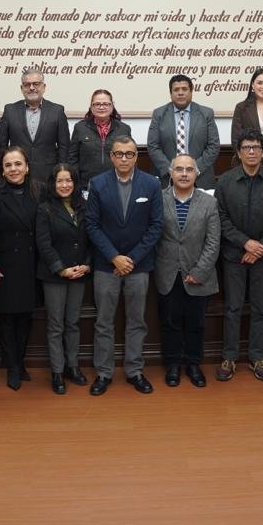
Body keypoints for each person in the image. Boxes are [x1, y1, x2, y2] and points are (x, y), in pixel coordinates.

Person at [85, 135, 164, 396]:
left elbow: (156, 226)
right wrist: (114, 257)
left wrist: (131, 259)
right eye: (119, 154)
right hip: (106, 265)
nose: (124, 159)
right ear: (111, 156)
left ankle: (135, 371)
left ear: (136, 156)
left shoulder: (151, 184)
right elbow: (92, 225)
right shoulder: (97, 183)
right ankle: (104, 373)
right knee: (103, 322)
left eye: (129, 154)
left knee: (137, 321)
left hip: (138, 266)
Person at [214, 128, 263, 382]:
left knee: (260, 307)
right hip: (234, 254)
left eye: (256, 147)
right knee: (232, 307)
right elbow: (221, 218)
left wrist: (260, 247)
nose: (252, 152)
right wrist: (246, 243)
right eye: (247, 148)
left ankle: (257, 357)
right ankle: (229, 357)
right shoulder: (225, 181)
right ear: (238, 152)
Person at [154, 154, 221, 388]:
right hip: (167, 272)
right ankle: (173, 364)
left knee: (196, 323)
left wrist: (199, 271)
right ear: (170, 173)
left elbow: (213, 242)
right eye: (179, 169)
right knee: (170, 322)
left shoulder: (209, 202)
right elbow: (152, 236)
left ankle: (193, 364)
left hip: (199, 274)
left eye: (189, 169)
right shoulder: (158, 199)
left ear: (197, 173)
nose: (184, 174)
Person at [0, 146, 39, 390]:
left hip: (31, 263)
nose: (13, 169)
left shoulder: (39, 191)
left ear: (27, 167)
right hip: (4, 265)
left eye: (18, 164)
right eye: (8, 165)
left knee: (26, 317)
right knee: (7, 318)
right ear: (2, 170)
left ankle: (21, 361)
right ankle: (12, 366)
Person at [35, 163, 91, 394]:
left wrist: (87, 265)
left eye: (69, 180)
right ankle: (57, 372)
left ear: (75, 183)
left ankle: (73, 367)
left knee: (73, 323)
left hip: (80, 273)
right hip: (55, 276)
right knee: (56, 325)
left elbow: (92, 237)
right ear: (53, 183)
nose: (65, 185)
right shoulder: (45, 209)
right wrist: (61, 269)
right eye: (60, 181)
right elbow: (44, 244)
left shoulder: (84, 206)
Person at [0, 66, 69, 186]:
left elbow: (64, 147)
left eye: (36, 84)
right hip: (17, 175)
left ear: (44, 87)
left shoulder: (57, 111)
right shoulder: (10, 110)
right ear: (21, 88)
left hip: (48, 174)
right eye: (27, 85)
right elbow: (1, 146)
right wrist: (1, 174)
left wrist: (61, 174)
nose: (31, 88)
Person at [146, 74, 221, 189]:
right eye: (176, 90)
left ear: (191, 91)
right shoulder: (159, 114)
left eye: (184, 89)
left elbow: (213, 146)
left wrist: (194, 169)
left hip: (200, 177)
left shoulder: (206, 114)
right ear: (170, 93)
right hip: (167, 178)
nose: (180, 93)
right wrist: (171, 170)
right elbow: (153, 145)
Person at [67, 89, 131, 192]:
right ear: (91, 107)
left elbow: (130, 157)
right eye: (97, 104)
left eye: (105, 104)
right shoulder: (80, 128)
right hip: (87, 186)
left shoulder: (124, 129)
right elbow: (72, 158)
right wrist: (76, 183)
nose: (101, 107)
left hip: (117, 185)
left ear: (112, 106)